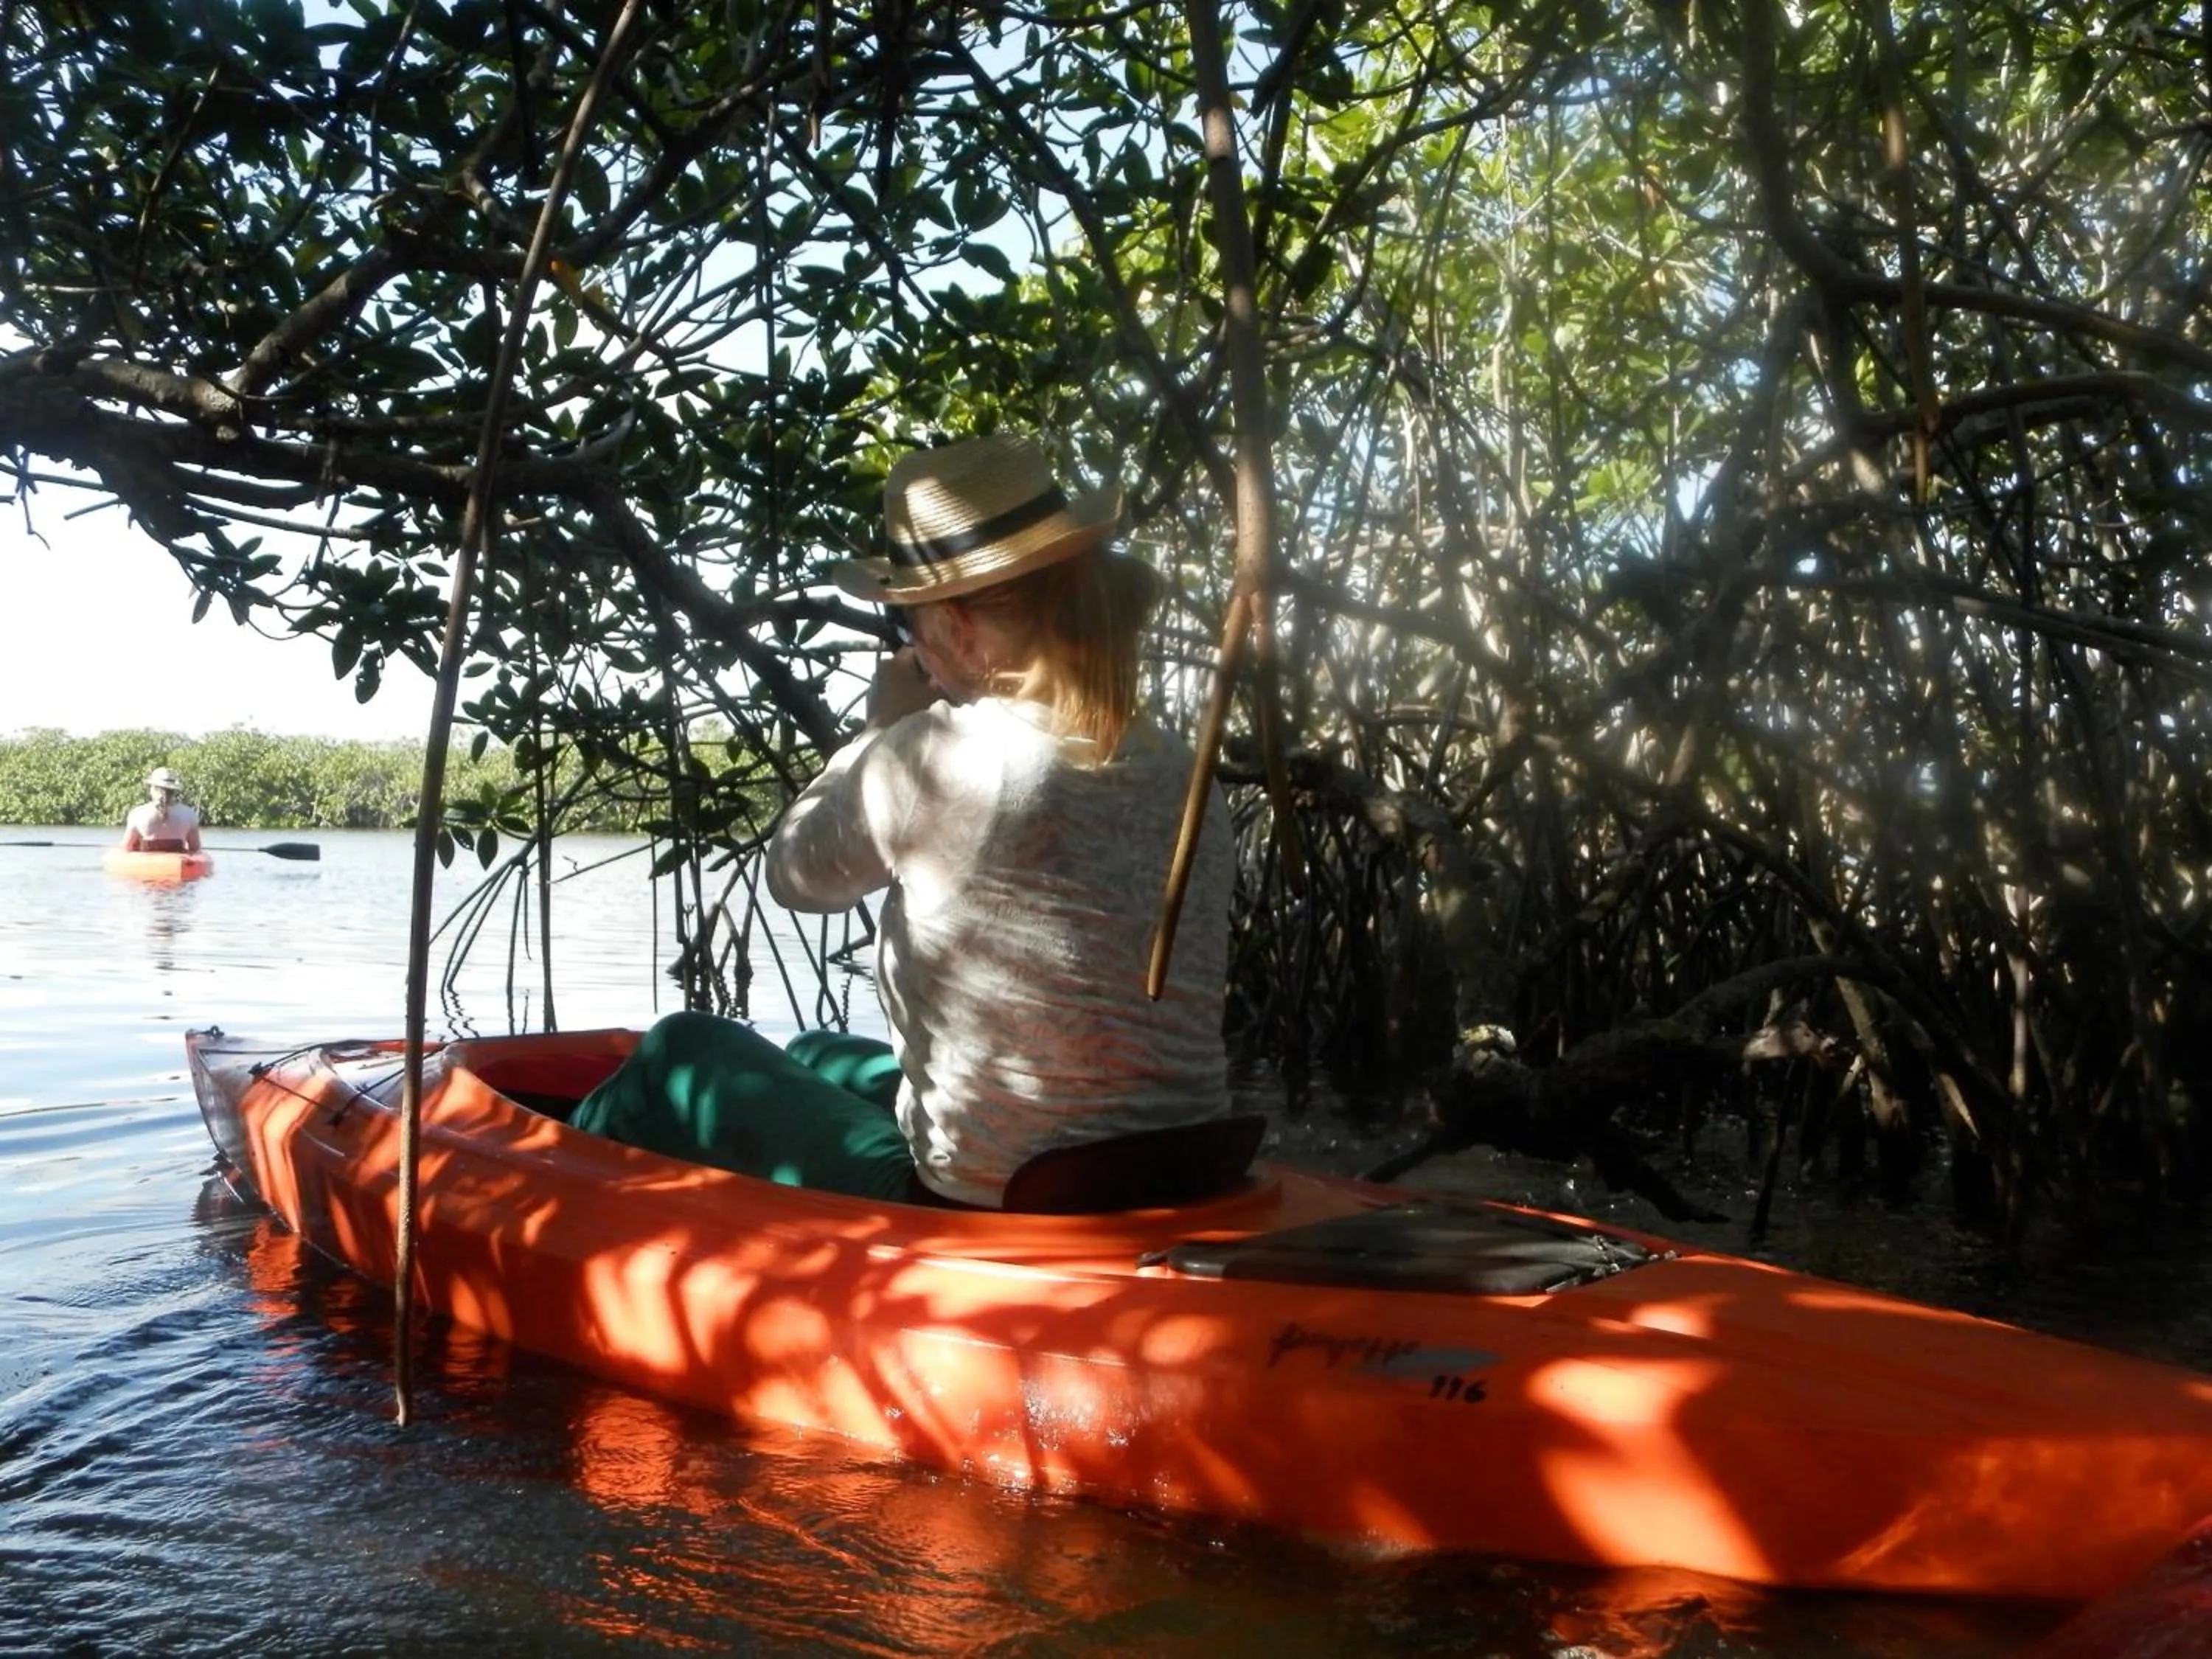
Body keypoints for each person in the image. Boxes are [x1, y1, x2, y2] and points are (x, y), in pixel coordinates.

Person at [573, 431, 1235, 1207]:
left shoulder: (937, 755)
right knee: (822, 1051)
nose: (909, 647)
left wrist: (874, 731)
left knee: (681, 1048)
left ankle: (555, 1172)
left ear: (956, 625)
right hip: (1188, 1165)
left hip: (997, 1197)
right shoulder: (1186, 769)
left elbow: (795, 878)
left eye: (905, 625)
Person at [122, 767, 204, 853]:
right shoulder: (189, 814)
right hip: (176, 863)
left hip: (146, 864)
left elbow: (127, 847)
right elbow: (195, 848)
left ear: (152, 789)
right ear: (175, 791)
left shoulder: (138, 814)